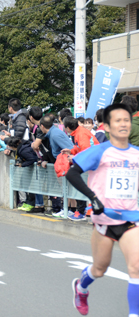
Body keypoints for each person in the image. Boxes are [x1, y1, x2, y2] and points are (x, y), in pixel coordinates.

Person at [65, 104, 139, 316]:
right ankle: (81, 287)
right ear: (106, 126)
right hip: (104, 219)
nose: (123, 124)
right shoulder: (100, 151)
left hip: (131, 219)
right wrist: (93, 198)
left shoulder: (136, 154)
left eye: (126, 120)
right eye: (117, 120)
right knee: (100, 268)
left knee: (136, 267)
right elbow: (72, 174)